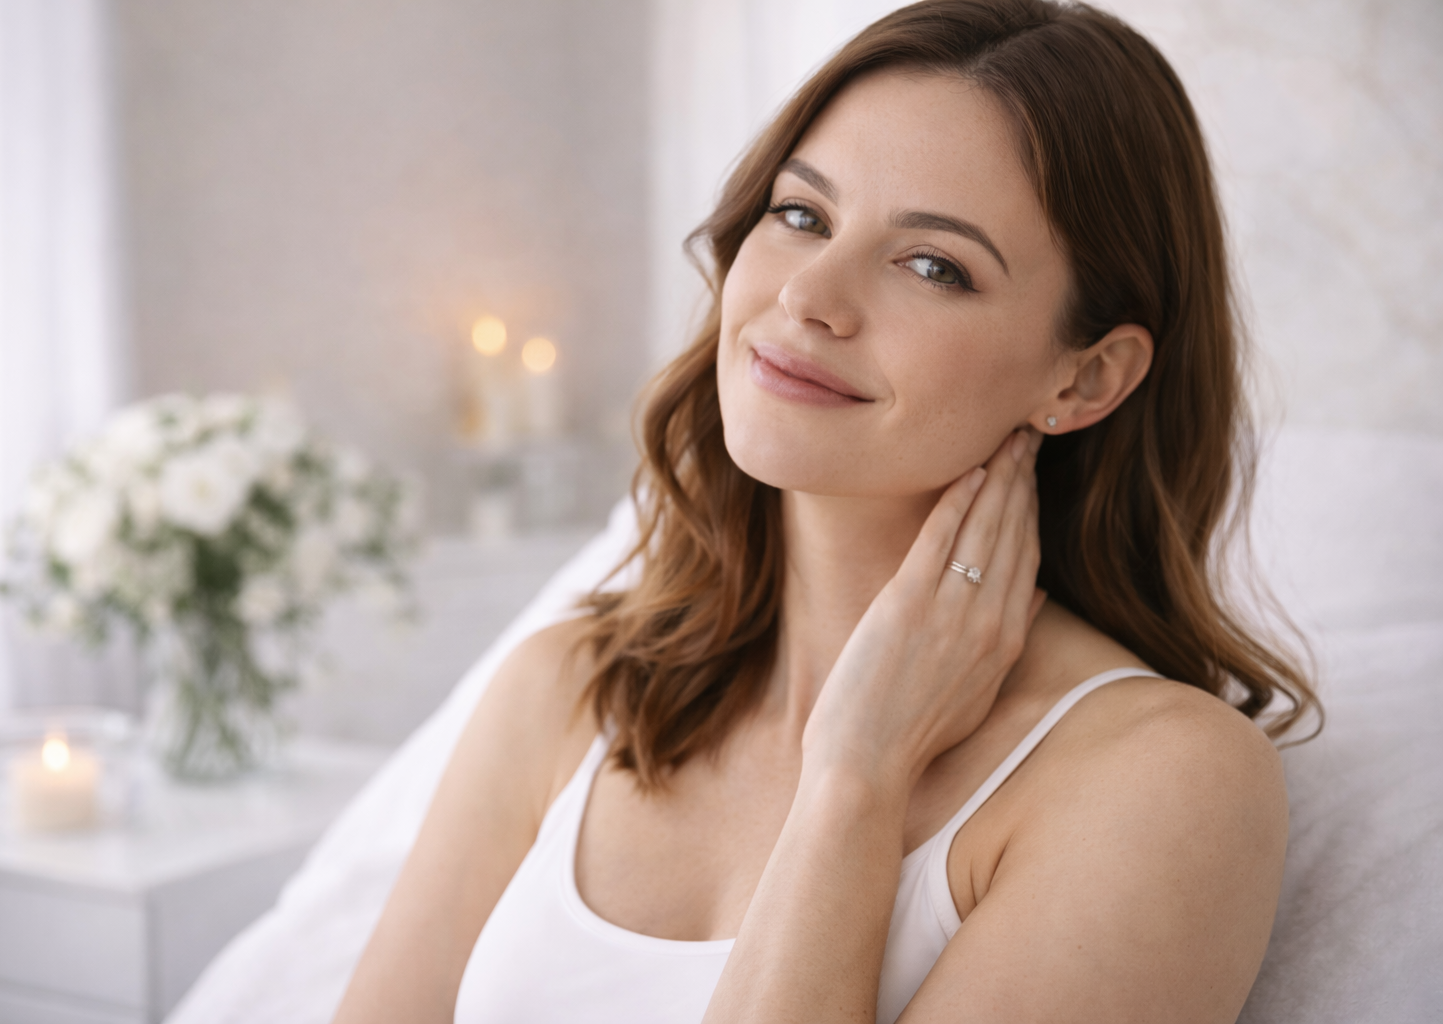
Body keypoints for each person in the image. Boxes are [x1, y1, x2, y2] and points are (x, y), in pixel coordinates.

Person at [334, 1, 1316, 1020]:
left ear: (1087, 378)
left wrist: (856, 775)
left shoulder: (1162, 781)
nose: (810, 295)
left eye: (933, 265)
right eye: (801, 214)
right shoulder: (569, 691)